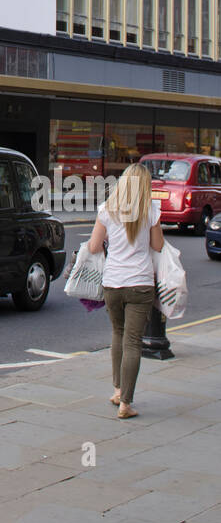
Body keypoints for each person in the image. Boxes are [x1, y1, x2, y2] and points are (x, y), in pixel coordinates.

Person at [88, 163, 164, 420]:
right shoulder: (150, 210)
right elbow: (158, 245)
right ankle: (126, 404)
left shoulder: (107, 210)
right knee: (133, 341)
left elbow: (95, 246)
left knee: (118, 334)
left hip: (113, 283)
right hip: (140, 283)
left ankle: (118, 391)